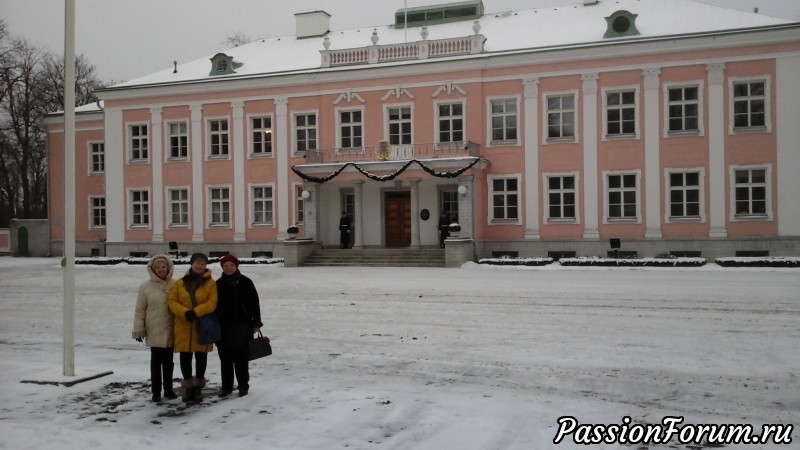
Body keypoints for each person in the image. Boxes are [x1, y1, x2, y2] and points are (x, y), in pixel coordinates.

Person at [168, 252, 217, 402]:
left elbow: (212, 302)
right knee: (185, 357)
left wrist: (195, 312)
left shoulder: (211, 283)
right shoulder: (180, 283)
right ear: (191, 264)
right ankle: (188, 387)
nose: (200, 266)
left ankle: (198, 388)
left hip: (202, 325)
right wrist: (184, 313)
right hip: (184, 325)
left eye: (203, 263)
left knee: (201, 357)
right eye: (197, 262)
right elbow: (171, 301)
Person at [214, 254, 263, 398]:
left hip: (243, 325)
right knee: (226, 359)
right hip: (224, 327)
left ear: (236, 266)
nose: (228, 268)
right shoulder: (218, 284)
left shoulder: (246, 282)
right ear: (222, 267)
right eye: (225, 265)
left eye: (231, 265)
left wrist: (256, 322)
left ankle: (243, 386)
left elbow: (254, 302)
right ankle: (226, 387)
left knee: (242, 358)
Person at [132, 254, 177, 402]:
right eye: (158, 267)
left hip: (171, 330)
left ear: (168, 268)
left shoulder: (175, 284)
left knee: (169, 363)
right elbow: (140, 310)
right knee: (156, 363)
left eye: (163, 267)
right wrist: (139, 329)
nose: (161, 270)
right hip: (154, 330)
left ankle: (169, 390)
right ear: (153, 269)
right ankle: (156, 392)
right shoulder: (145, 287)